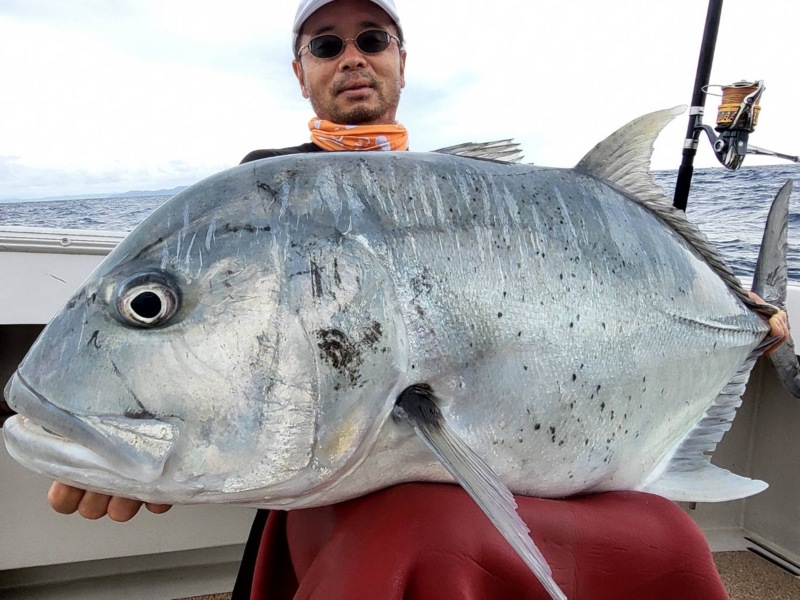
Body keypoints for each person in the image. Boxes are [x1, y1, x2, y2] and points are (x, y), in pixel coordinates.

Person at [48, 0, 791, 597]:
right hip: (351, 481)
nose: (352, 57)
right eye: (326, 46)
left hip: (508, 461)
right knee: (422, 540)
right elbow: (247, 356)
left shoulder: (472, 194)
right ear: (301, 74)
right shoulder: (265, 195)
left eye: (371, 38)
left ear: (401, 61)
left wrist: (740, 316)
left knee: (673, 539)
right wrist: (126, 425)